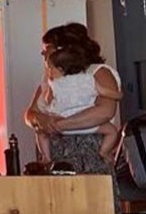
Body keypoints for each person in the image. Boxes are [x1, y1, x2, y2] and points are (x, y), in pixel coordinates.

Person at [24, 23, 122, 173]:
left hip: (89, 157)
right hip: (55, 158)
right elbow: (30, 114)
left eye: (47, 48)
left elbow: (105, 111)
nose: (43, 54)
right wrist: (40, 120)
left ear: (63, 51)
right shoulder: (50, 78)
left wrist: (59, 125)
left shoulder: (97, 72)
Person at [36, 44, 120, 164]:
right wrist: (118, 95)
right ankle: (104, 152)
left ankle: (46, 157)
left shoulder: (54, 83)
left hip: (59, 122)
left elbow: (47, 101)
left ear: (60, 69)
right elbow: (105, 92)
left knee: (40, 132)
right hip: (88, 124)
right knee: (112, 131)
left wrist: (47, 116)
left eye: (49, 68)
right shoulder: (88, 79)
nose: (48, 72)